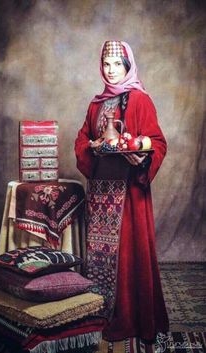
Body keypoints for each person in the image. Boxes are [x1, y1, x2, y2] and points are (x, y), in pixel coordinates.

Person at [74, 40, 169, 348]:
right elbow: (83, 140)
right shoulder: (95, 104)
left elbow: (157, 141)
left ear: (128, 66)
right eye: (106, 64)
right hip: (102, 191)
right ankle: (102, 315)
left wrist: (142, 159)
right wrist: (91, 148)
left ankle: (133, 318)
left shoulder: (140, 100)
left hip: (129, 191)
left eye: (117, 64)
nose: (111, 70)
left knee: (130, 253)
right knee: (101, 258)